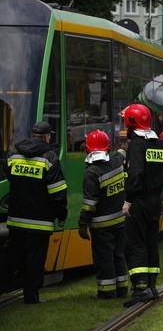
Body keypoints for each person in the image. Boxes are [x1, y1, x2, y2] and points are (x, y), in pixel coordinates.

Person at [0, 122, 67, 304]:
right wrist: (61, 215)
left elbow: (8, 175)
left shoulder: (14, 154)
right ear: (47, 137)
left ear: (32, 135)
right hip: (40, 220)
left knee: (10, 256)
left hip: (15, 217)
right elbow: (57, 192)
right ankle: (31, 297)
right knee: (35, 259)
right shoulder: (49, 157)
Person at [120, 104, 163, 307]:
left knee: (134, 243)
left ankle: (141, 288)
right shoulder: (157, 144)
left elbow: (135, 175)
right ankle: (152, 287)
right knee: (151, 242)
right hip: (154, 201)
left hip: (140, 201)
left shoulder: (137, 144)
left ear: (131, 122)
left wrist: (128, 199)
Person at [78, 130, 128, 299]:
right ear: (108, 147)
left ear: (87, 149)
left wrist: (82, 224)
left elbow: (89, 204)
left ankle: (107, 293)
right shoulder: (117, 162)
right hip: (120, 220)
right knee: (119, 255)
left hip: (101, 225)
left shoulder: (91, 172)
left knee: (104, 259)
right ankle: (122, 289)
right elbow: (122, 153)